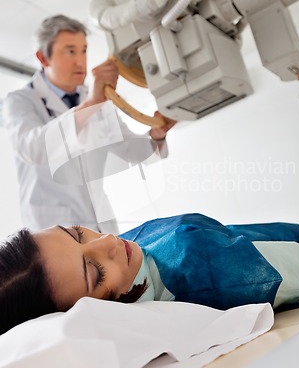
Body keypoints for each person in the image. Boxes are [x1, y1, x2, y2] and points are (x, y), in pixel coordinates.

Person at [1, 212, 299, 335]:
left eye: (77, 233)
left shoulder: (130, 261)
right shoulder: (207, 276)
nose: (108, 242)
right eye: (97, 272)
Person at [3, 15, 175, 233]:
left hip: (101, 225)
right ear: (43, 58)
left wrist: (157, 135)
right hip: (54, 231)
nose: (80, 61)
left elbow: (131, 151)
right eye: (70, 51)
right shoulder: (20, 101)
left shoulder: (97, 99)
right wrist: (91, 103)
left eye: (84, 50)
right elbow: (33, 149)